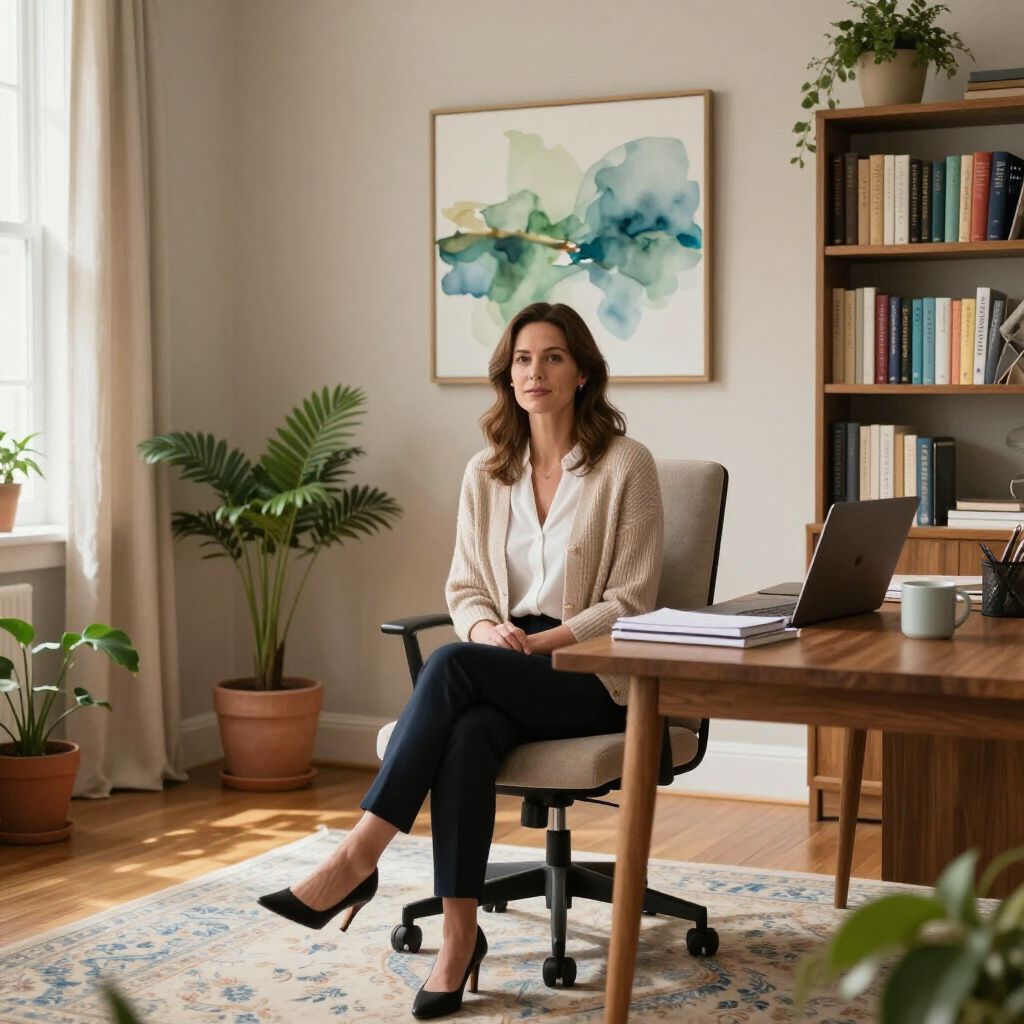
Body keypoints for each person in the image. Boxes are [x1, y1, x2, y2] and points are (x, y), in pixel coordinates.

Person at [257, 301, 664, 1018]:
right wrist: (486, 630)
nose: (534, 372)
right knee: (468, 730)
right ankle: (457, 939)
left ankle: (358, 858)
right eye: (522, 359)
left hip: (590, 671)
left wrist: (540, 641)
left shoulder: (625, 465)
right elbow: (466, 587)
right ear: (507, 377)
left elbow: (631, 599)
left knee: (449, 668)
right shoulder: (488, 471)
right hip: (501, 659)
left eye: (553, 357)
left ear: (582, 374)